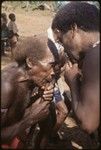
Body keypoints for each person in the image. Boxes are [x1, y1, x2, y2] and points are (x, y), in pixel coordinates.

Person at [51, 1, 100, 136]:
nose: (64, 49)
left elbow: (88, 124)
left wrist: (72, 82)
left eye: (61, 40)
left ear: (73, 29)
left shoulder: (95, 55)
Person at [1, 34, 56, 149]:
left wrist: (41, 97)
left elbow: (14, 112)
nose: (53, 72)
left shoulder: (29, 78)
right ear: (30, 62)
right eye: (50, 65)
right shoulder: (6, 86)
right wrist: (30, 117)